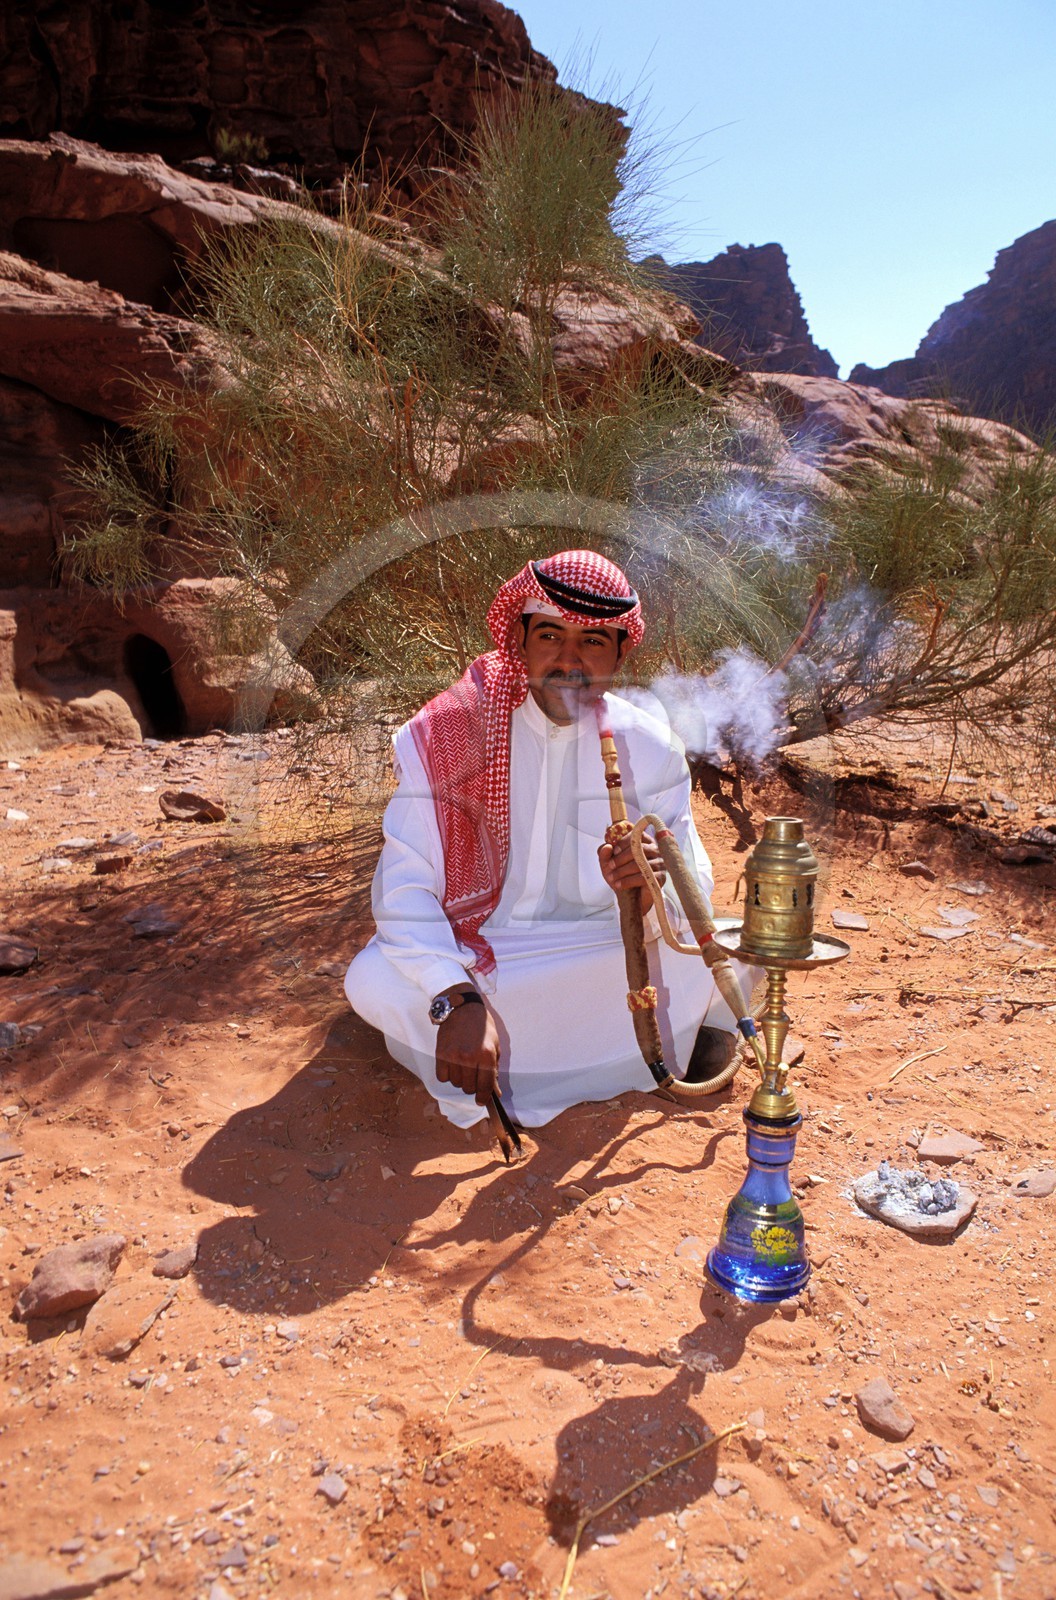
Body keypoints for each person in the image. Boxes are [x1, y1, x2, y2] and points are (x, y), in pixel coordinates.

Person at [345, 549, 745, 1130]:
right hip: (480, 952)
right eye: (551, 636)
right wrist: (456, 997)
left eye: (593, 642)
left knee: (729, 949)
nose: (568, 661)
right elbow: (404, 889)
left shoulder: (651, 747)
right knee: (373, 979)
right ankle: (618, 1048)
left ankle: (574, 1058)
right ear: (521, 638)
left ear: (620, 651)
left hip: (603, 951)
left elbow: (694, 896)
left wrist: (654, 888)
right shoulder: (448, 735)